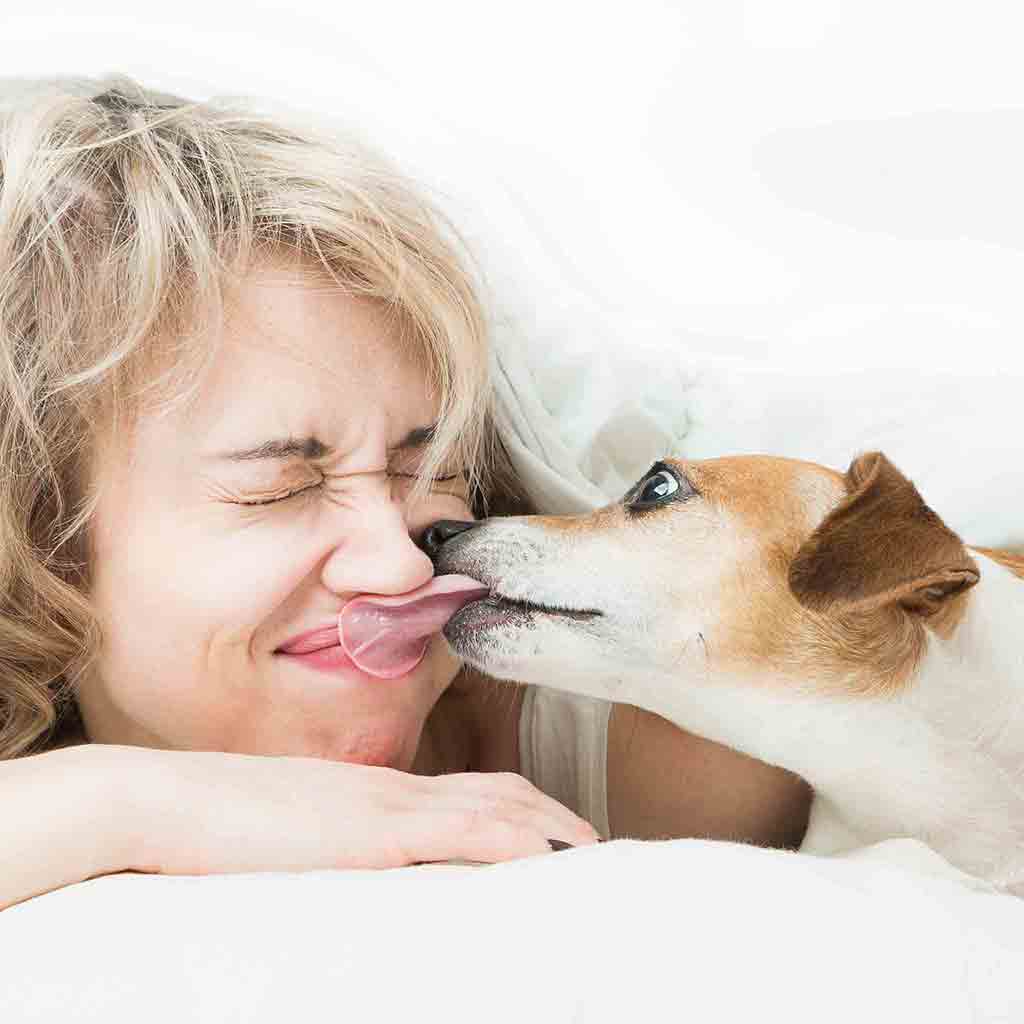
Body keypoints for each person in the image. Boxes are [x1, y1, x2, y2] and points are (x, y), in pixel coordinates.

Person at [0, 76, 811, 911]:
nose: (399, 567)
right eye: (276, 488)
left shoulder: (658, 744)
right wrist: (130, 807)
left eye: (433, 468)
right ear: (42, 539)